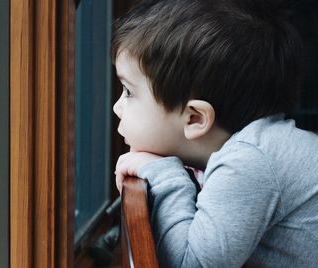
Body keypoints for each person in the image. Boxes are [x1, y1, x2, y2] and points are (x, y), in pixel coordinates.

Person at [111, 0, 318, 267]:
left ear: (195, 118)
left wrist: (165, 174)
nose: (117, 107)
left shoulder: (249, 161)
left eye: (129, 92)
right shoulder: (244, 150)